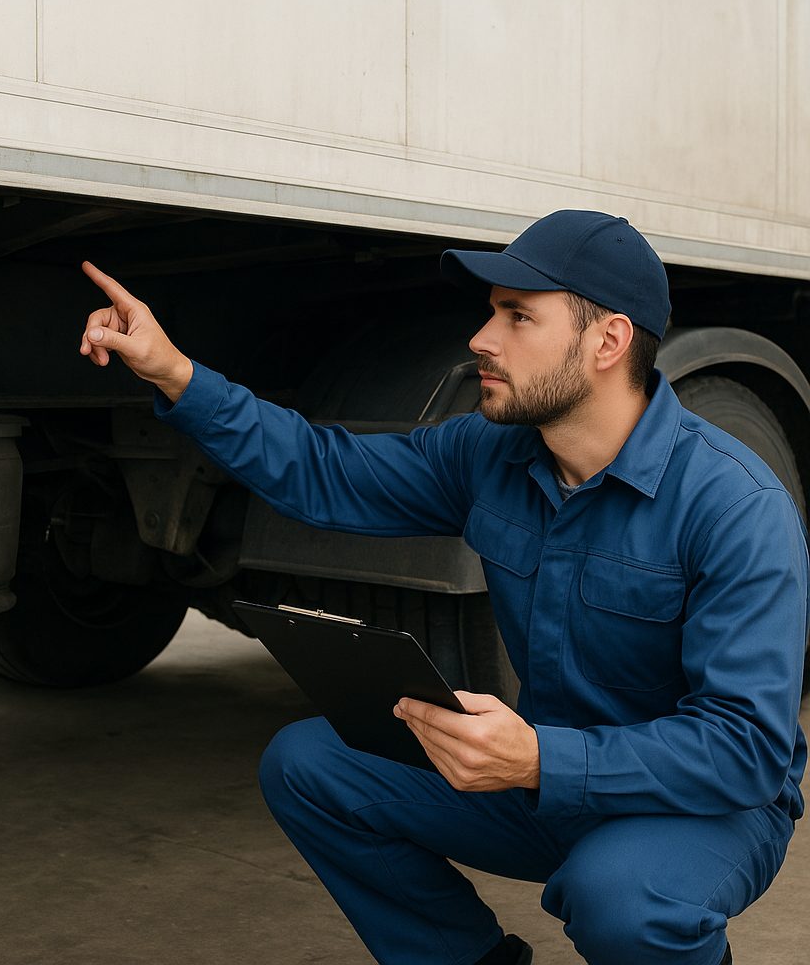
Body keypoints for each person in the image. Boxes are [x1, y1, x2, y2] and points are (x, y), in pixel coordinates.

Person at [78, 210, 807, 965]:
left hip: (703, 805)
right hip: (539, 775)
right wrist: (174, 373)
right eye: (491, 312)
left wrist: (537, 760)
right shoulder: (489, 453)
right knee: (310, 767)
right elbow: (327, 471)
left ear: (608, 342)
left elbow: (744, 748)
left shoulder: (735, 507)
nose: (481, 339)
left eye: (519, 316)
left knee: (620, 898)